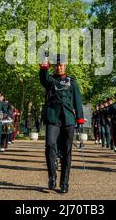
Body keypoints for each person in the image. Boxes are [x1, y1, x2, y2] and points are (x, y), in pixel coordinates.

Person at [40, 53, 84, 194]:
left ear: (65, 66)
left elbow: (77, 100)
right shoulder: (50, 80)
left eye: (61, 65)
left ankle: (64, 183)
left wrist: (80, 119)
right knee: (50, 145)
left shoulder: (72, 81)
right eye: (57, 65)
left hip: (68, 119)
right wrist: (44, 59)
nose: (59, 67)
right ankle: (52, 176)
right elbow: (43, 76)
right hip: (53, 117)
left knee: (67, 152)